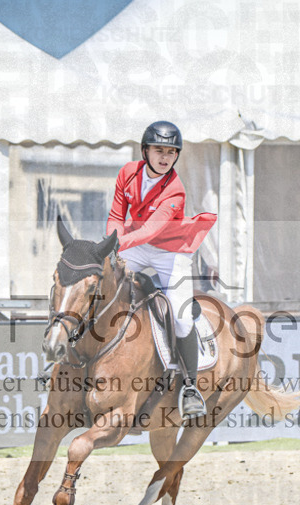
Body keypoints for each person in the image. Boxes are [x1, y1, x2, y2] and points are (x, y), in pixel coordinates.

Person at [106, 121, 216, 419]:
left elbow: (152, 231)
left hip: (171, 251)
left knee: (180, 319)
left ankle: (190, 387)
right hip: (136, 242)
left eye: (171, 151)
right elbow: (117, 214)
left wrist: (119, 241)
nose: (165, 157)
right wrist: (110, 246)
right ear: (146, 151)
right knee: (102, 279)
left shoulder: (175, 190)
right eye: (159, 150)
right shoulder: (128, 173)